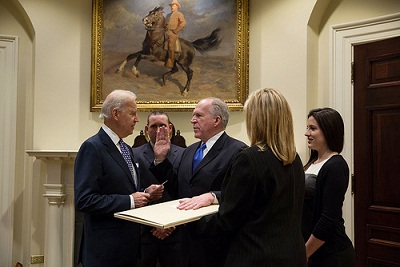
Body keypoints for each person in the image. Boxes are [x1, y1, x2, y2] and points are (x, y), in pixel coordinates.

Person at [193, 88, 307, 266]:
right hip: (292, 255)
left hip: (255, 257)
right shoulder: (293, 158)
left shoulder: (249, 158)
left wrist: (190, 223)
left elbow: (228, 219)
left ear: (257, 120)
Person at [151, 97, 248, 267]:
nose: (192, 120)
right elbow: (179, 189)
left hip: (217, 244)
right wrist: (161, 160)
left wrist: (212, 196)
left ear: (216, 120)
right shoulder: (190, 151)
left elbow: (240, 195)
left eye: (198, 116)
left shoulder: (238, 151)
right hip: (186, 244)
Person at [74, 90, 164, 267]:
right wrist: (130, 201)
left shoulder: (125, 148)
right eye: (132, 113)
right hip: (105, 252)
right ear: (115, 113)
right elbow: (84, 200)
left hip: (127, 250)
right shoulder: (93, 147)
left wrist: (145, 193)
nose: (137, 119)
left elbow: (123, 189)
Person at [302, 107, 355, 266]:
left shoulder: (336, 166)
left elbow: (328, 219)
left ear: (328, 131)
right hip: (315, 254)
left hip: (332, 255)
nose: (307, 133)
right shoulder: (311, 162)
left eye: (312, 128)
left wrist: (305, 252)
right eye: (307, 128)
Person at [133, 111, 186, 267]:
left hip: (175, 233)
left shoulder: (184, 154)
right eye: (153, 126)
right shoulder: (134, 154)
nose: (158, 131)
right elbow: (131, 189)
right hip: (144, 233)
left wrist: (170, 223)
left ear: (170, 128)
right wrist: (152, 224)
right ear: (146, 129)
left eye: (162, 126)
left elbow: (184, 190)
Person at [165, 0, 186, 68]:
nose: (172, 7)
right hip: (166, 32)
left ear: (177, 7)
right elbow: (165, 23)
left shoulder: (179, 14)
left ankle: (171, 61)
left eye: (173, 6)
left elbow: (183, 23)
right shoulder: (168, 15)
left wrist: (176, 30)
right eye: (171, 6)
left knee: (171, 46)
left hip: (173, 33)